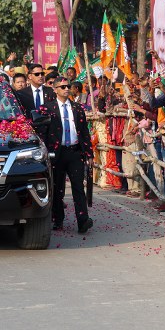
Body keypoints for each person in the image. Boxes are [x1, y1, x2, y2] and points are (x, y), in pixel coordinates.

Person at [42, 76, 94, 233]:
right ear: (55, 89)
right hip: (56, 154)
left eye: (68, 86)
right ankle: (58, 219)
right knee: (57, 188)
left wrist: (89, 154)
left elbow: (84, 132)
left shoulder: (77, 108)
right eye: (63, 87)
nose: (66, 89)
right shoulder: (47, 108)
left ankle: (83, 221)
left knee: (78, 187)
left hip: (75, 152)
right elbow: (43, 132)